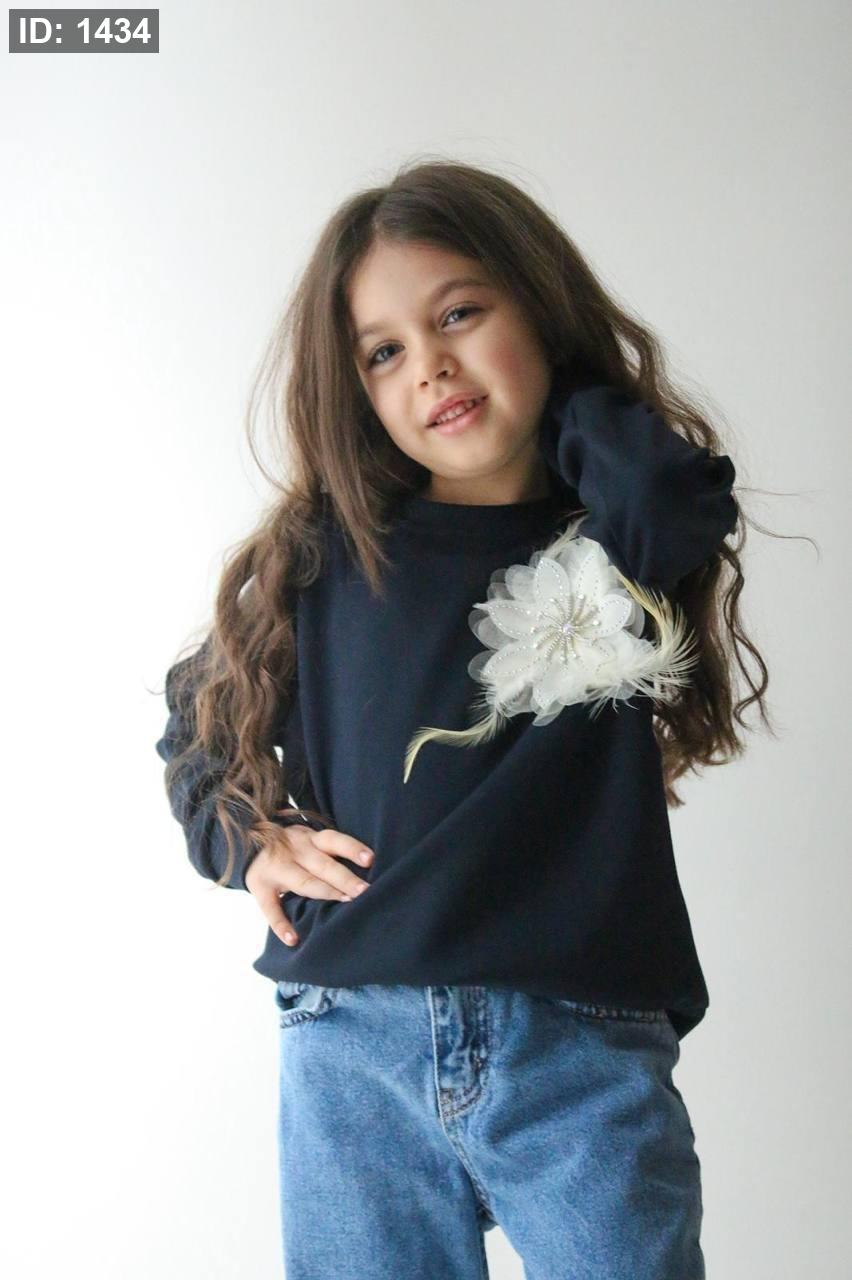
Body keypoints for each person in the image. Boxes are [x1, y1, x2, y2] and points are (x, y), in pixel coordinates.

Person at [155, 158, 769, 1279]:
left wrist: (566, 383)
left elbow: (672, 491)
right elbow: (197, 714)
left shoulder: (617, 542)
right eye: (383, 352)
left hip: (580, 1050)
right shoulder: (327, 559)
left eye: (461, 315)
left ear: (538, 306)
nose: (431, 364)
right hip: (353, 1047)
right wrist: (251, 840)